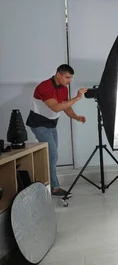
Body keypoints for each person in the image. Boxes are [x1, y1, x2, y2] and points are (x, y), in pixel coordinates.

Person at [26, 64, 87, 198]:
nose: (69, 80)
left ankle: (44, 185)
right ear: (58, 75)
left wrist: (76, 117)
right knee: (52, 155)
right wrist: (77, 98)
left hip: (52, 125)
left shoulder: (63, 88)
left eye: (71, 78)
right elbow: (56, 108)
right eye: (67, 77)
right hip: (39, 124)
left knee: (51, 156)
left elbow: (66, 107)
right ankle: (54, 188)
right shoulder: (44, 87)